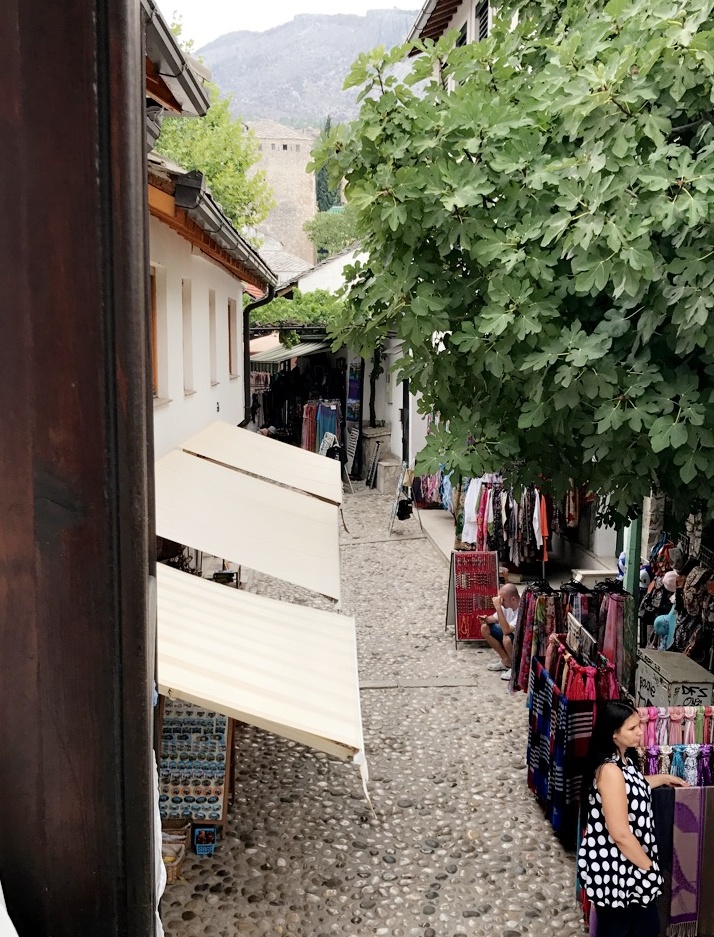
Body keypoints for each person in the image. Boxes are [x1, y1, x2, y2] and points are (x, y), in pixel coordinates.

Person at [577, 701, 687, 937]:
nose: (640, 732)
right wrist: (649, 868)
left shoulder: (623, 761)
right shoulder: (610, 771)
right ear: (614, 734)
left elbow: (632, 787)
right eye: (632, 728)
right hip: (619, 872)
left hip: (626, 867)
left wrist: (663, 778)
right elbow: (620, 833)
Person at [480, 583, 520, 680]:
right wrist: (486, 619)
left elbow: (506, 630)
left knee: (506, 639)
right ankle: (506, 661)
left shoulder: (521, 609)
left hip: (520, 639)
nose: (501, 602)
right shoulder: (507, 604)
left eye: (503, 600)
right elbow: (494, 618)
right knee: (485, 628)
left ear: (513, 599)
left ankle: (515, 669)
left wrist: (498, 608)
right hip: (510, 634)